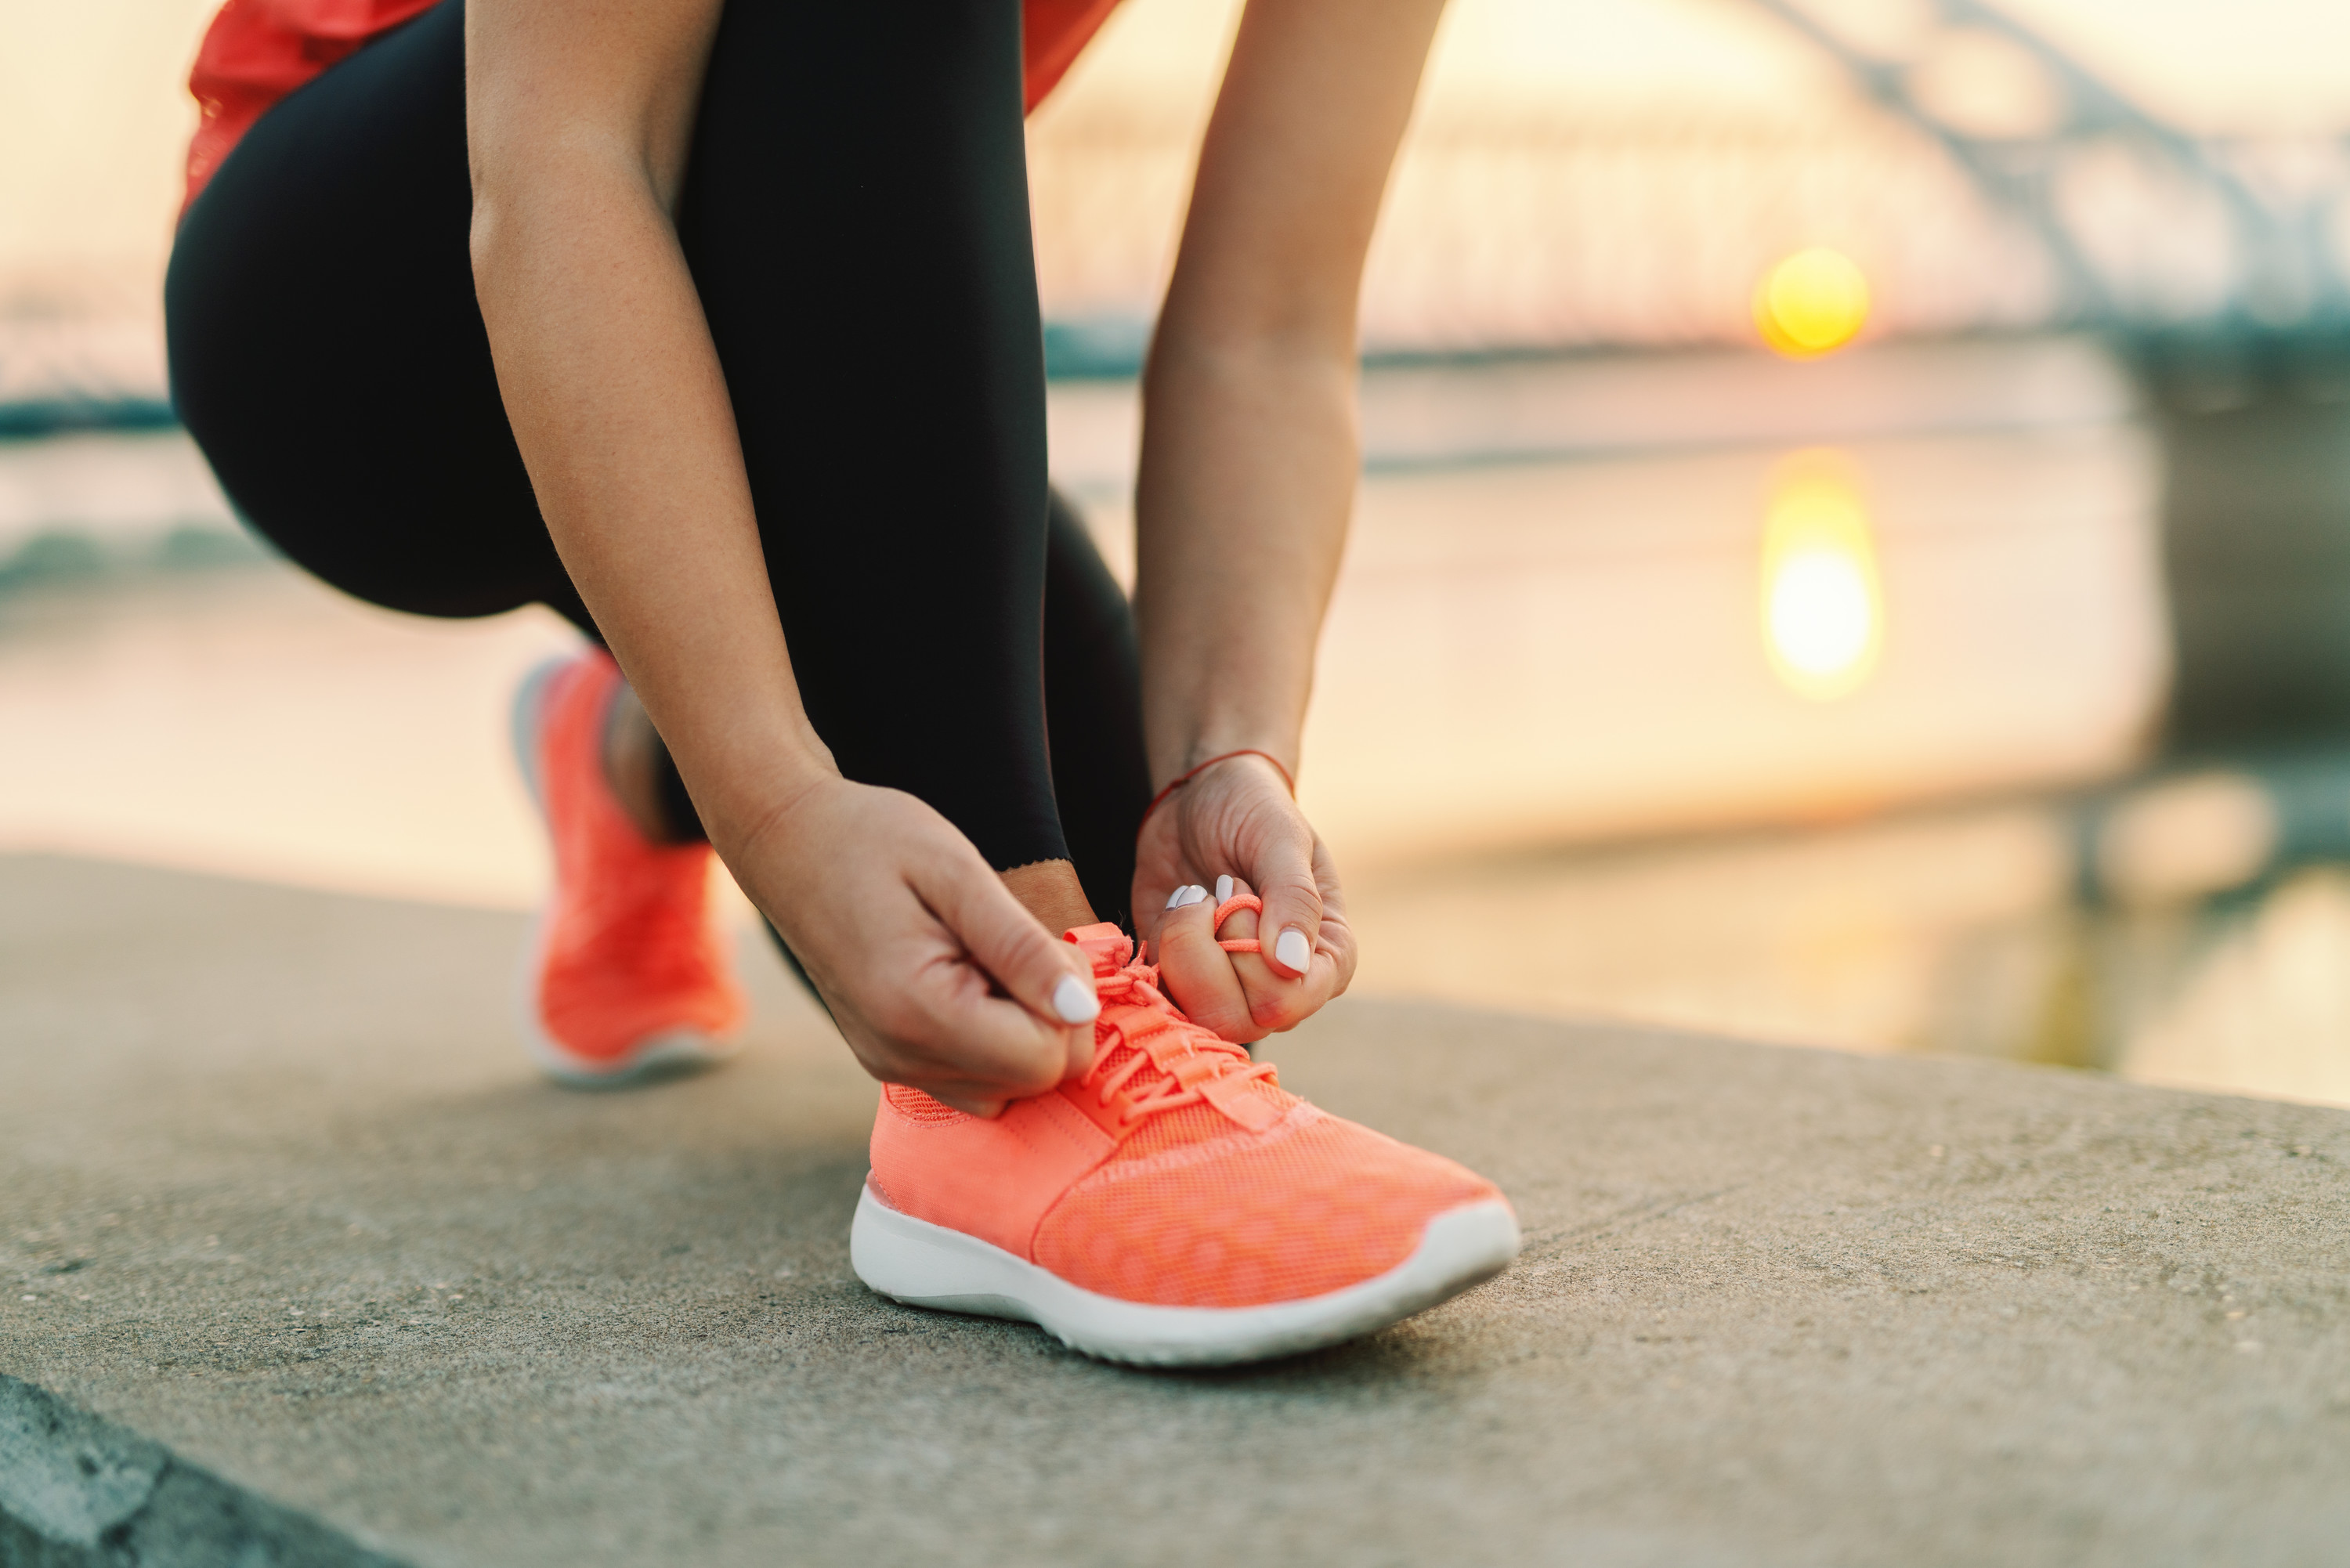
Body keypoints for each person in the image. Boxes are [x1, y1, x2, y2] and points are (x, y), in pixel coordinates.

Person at [164, 0, 1517, 1366]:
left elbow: (1270, 324)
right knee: (1033, 968)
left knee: (1121, 899)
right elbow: (565, 157)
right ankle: (983, 1129)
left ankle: (629, 760)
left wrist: (1226, 757)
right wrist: (769, 798)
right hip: (368, 316)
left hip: (759, 320)